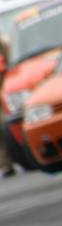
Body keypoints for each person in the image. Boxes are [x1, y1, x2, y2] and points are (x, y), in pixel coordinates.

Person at [0, 36, 13, 178]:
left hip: (6, 88)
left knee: (9, 124)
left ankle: (23, 156)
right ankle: (5, 164)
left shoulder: (2, 44)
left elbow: (11, 63)